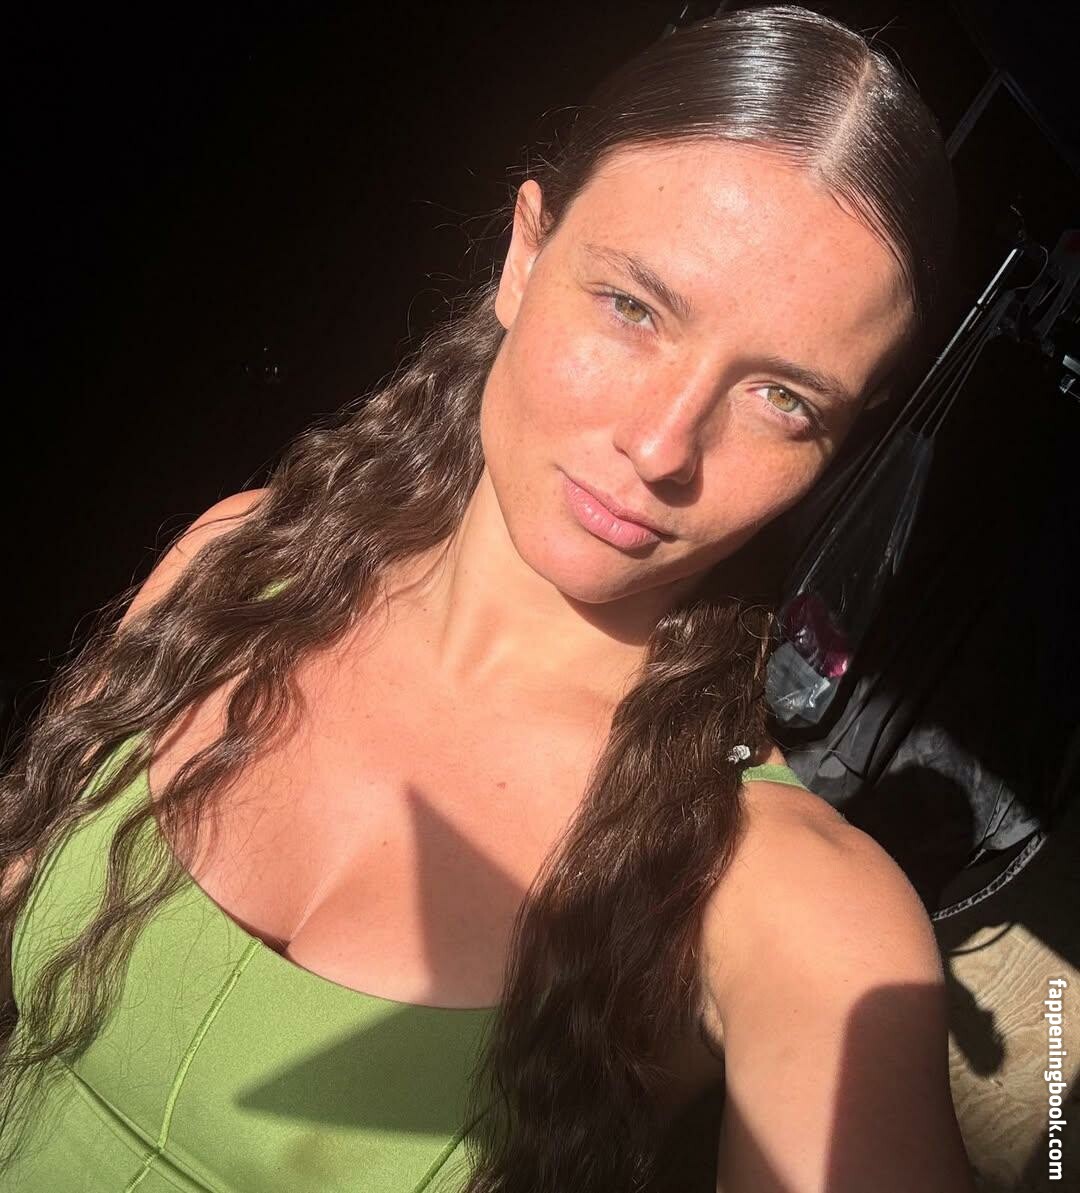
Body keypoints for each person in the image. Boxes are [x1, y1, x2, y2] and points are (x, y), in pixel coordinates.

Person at [0, 5, 975, 1191]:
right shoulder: (238, 565)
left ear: (842, 445)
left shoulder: (777, 897)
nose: (661, 445)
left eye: (783, 399)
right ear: (524, 255)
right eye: (632, 306)